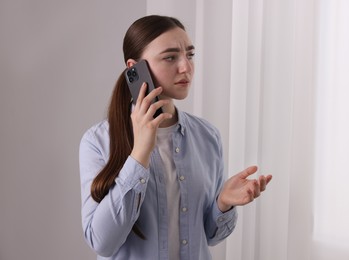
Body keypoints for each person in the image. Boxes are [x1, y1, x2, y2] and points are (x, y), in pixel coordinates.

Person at [79, 15, 272, 260]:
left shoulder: (208, 136)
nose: (186, 67)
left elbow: (210, 236)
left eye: (189, 55)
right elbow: (101, 242)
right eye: (170, 57)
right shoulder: (97, 142)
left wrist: (223, 203)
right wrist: (140, 154)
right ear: (134, 69)